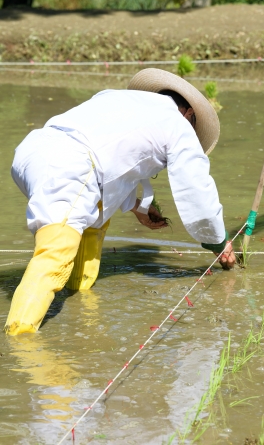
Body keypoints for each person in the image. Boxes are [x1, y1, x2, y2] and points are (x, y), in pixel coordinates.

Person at [4, 68, 236, 336]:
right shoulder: (178, 125)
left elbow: (107, 163)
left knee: (93, 215)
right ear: (190, 114)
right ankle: (19, 344)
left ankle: (79, 298)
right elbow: (197, 187)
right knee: (54, 255)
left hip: (33, 151)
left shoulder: (115, 98)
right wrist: (217, 241)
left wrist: (138, 206)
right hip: (70, 166)